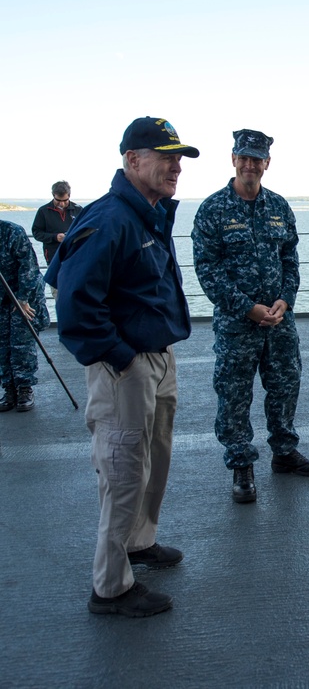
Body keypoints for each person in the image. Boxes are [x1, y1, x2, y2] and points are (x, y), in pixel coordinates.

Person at [45, 116, 196, 617]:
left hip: (157, 356)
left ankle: (139, 542)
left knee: (154, 459)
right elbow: (72, 303)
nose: (176, 165)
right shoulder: (110, 218)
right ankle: (111, 586)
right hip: (125, 366)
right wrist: (120, 357)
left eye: (179, 157)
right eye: (165, 155)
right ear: (132, 160)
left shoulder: (147, 211)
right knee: (124, 470)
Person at [192, 129, 309, 505]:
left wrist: (286, 299)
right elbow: (207, 269)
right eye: (243, 158)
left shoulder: (279, 207)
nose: (250, 165)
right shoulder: (213, 209)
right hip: (238, 324)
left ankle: (284, 452)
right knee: (234, 394)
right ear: (233, 160)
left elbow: (290, 259)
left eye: (257, 159)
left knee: (285, 385)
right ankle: (241, 464)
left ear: (267, 163)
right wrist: (246, 307)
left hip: (280, 322)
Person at [0, 220, 48, 412]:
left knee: (21, 343)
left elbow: (28, 267)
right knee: (2, 344)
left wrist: (22, 298)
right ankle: (9, 389)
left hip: (24, 295)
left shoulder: (12, 232)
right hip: (2, 298)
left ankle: (24, 389)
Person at [32, 180, 83, 267]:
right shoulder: (43, 211)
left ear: (69, 195)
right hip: (53, 256)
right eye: (58, 200)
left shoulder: (79, 210)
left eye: (65, 200)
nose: (62, 204)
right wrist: (55, 237)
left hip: (75, 254)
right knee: (55, 280)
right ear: (53, 195)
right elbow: (37, 233)